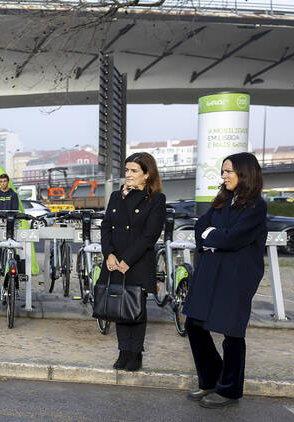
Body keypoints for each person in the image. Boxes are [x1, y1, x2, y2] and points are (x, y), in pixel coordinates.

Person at [183, 152, 267, 409]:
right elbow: (201, 228)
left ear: (244, 173)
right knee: (194, 324)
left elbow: (234, 238)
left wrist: (214, 236)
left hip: (237, 276)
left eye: (228, 171)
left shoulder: (256, 205)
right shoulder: (222, 199)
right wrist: (213, 236)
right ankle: (210, 379)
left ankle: (229, 390)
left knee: (232, 332)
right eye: (222, 171)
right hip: (211, 270)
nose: (223, 176)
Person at [99, 152, 166, 372]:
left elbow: (150, 234)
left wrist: (127, 260)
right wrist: (108, 254)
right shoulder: (117, 196)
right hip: (114, 260)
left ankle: (135, 353)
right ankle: (123, 351)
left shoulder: (155, 199)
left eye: (134, 171)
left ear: (147, 175)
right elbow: (106, 226)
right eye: (127, 170)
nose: (128, 174)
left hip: (136, 261)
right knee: (118, 306)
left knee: (135, 307)